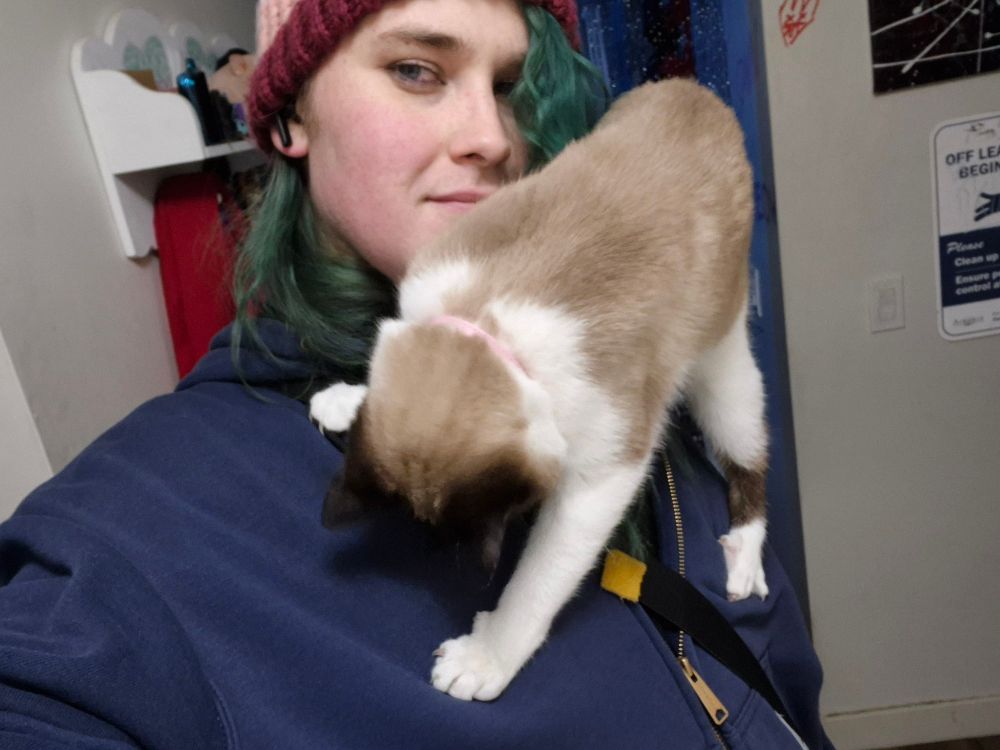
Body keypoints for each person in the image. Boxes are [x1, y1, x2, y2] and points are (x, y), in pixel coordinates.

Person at [0, 0, 834, 747]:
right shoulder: (137, 527)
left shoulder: (628, 325)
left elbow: (777, 670)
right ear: (288, 115)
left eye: (508, 84)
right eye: (415, 70)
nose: (493, 136)